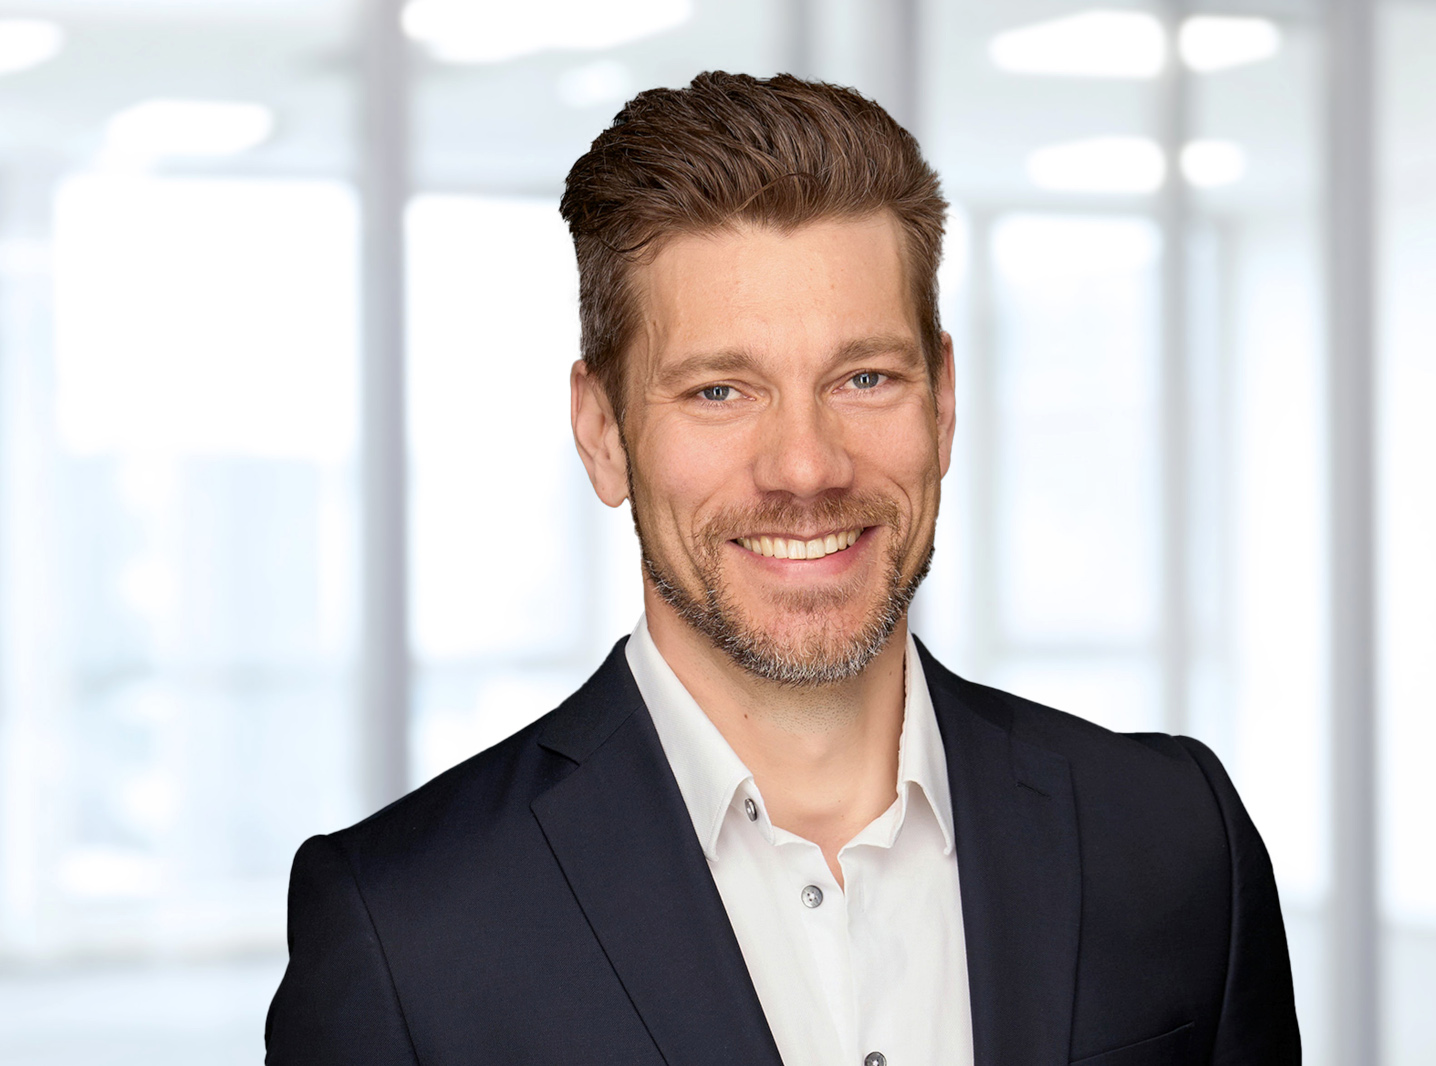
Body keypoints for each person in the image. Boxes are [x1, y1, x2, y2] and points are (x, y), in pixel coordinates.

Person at [265, 71, 1299, 1066]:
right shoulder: (405, 931)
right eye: (720, 391)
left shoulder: (1170, 841)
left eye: (864, 376)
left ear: (942, 400)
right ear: (602, 433)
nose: (805, 466)